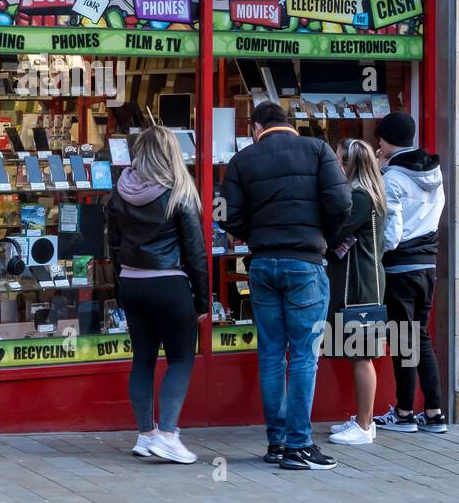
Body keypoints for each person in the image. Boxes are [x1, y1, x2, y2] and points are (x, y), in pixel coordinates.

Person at [222, 102, 351, 470]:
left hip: (262, 264)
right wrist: (323, 235)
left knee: (271, 354)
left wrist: (255, 235)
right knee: (304, 356)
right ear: (288, 123)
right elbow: (341, 201)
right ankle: (298, 444)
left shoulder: (244, 159)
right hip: (305, 263)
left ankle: (277, 442)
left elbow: (226, 213)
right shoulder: (318, 150)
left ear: (257, 126)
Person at [106, 126, 208, 464]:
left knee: (143, 360)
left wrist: (121, 288)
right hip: (169, 284)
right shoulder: (179, 192)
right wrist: (203, 299)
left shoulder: (120, 191)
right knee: (180, 359)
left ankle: (145, 434)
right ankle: (167, 434)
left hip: (133, 283)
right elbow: (195, 253)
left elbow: (114, 245)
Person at [372, 111, 447, 433]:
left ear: (387, 140)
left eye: (380, 138)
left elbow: (392, 233)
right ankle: (433, 413)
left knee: (403, 341)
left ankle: (404, 413)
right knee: (421, 338)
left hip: (401, 268)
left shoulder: (394, 179)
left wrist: (376, 253)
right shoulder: (434, 171)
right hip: (427, 265)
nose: (377, 143)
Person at [322, 138, 386, 446]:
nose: (335, 166)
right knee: (356, 354)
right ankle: (363, 419)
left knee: (361, 356)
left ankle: (364, 425)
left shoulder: (360, 198)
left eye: (338, 161)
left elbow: (334, 234)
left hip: (359, 287)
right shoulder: (364, 195)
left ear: (349, 165)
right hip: (355, 283)